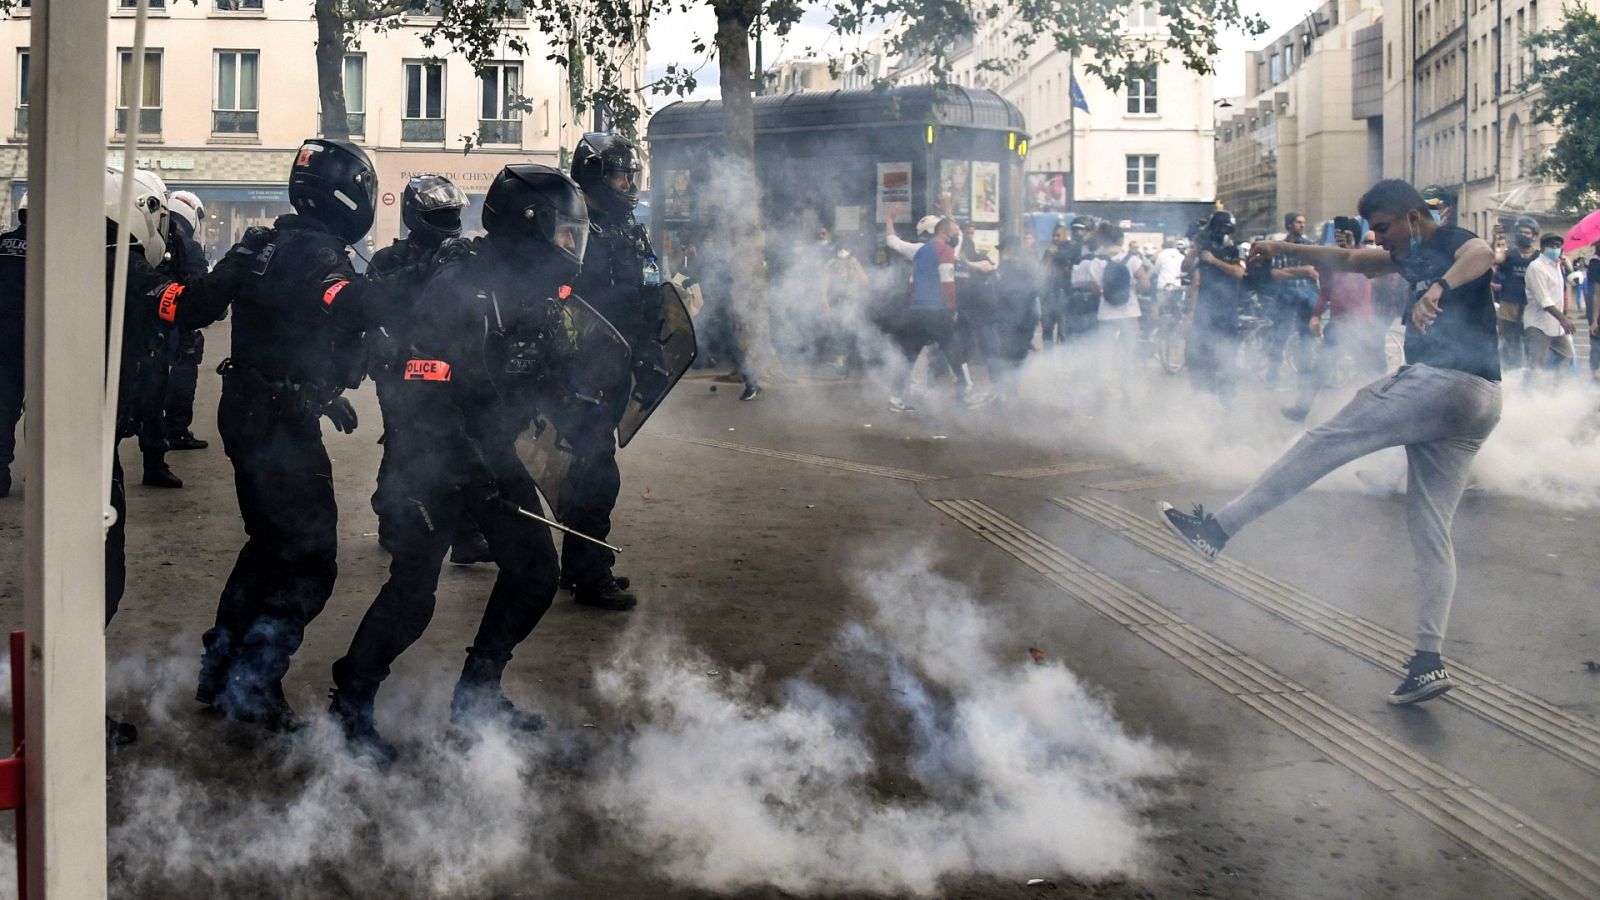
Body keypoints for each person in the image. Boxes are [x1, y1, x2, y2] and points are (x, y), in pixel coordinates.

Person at [1160, 178, 1502, 707]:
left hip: (1443, 382)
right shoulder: (1408, 253)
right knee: (1430, 528)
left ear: (1413, 216)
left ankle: (1218, 531)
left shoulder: (1448, 241)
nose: (1380, 238)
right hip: (1480, 402)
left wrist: (1439, 289)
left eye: (1385, 227)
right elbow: (1356, 262)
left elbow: (1481, 252)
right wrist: (1285, 249)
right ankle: (1429, 660)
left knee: (1324, 441)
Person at [328, 164, 607, 763]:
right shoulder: (458, 286)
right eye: (564, 233)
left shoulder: (533, 291)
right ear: (528, 225)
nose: (570, 246)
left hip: (491, 454)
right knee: (412, 596)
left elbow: (535, 369)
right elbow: (419, 383)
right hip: (430, 456)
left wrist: (576, 402)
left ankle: (477, 700)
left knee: (534, 573)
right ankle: (349, 702)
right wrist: (465, 467)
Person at [157, 139, 382, 731]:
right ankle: (253, 685)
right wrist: (402, 292)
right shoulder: (318, 252)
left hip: (250, 410)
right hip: (278, 424)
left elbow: (257, 323)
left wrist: (322, 395)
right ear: (348, 194)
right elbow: (343, 301)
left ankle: (220, 665)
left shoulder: (265, 240)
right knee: (310, 558)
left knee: (267, 545)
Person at [367, 174, 494, 568]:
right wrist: (384, 349)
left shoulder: (462, 256)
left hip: (448, 365)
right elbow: (369, 310)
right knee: (403, 443)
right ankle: (391, 519)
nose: (449, 218)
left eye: (452, 212)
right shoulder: (389, 260)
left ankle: (466, 535)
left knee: (462, 444)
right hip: (399, 366)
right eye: (441, 213)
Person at [562, 132, 651, 610]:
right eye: (620, 174)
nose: (628, 183)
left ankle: (577, 564)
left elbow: (648, 285)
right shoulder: (573, 228)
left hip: (617, 365)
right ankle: (588, 573)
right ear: (595, 175)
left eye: (631, 174)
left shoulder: (628, 228)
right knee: (594, 475)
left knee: (586, 469)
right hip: (584, 371)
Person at [882, 214, 989, 410]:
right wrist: (952, 309)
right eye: (953, 233)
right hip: (937, 312)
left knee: (910, 355)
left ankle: (895, 398)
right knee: (954, 352)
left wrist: (890, 220)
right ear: (945, 233)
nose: (955, 236)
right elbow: (948, 284)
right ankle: (967, 393)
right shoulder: (945, 251)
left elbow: (910, 279)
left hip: (917, 311)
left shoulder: (920, 251)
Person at [1283, 226, 1385, 421]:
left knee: (1371, 371)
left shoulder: (1364, 259)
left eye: (1346, 237)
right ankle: (1302, 409)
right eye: (1338, 238)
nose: (1341, 241)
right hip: (1338, 324)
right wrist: (1315, 315)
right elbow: (1326, 292)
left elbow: (1369, 277)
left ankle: (1378, 417)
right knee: (1321, 367)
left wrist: (1352, 248)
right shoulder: (1333, 264)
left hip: (1361, 324)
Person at [161, 190, 211, 454]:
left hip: (153, 321)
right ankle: (177, 430)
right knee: (184, 371)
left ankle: (154, 434)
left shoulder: (154, 239)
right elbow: (201, 288)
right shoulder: (188, 247)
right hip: (180, 321)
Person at [1182, 211, 1247, 401]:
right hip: (1205, 312)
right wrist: (1195, 248)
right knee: (1200, 357)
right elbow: (1186, 268)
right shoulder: (1204, 247)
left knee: (1227, 359)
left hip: (1227, 313)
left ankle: (1228, 402)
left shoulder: (1234, 249)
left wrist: (1214, 261)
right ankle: (1206, 398)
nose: (1223, 232)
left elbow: (1238, 273)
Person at [1263, 212, 1320, 387]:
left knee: (1306, 339)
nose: (1302, 225)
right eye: (1298, 222)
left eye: (1303, 222)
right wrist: (1302, 270)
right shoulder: (1279, 247)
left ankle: (1304, 378)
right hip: (1285, 298)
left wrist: (1291, 272)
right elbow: (1275, 273)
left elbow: (1316, 272)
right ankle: (1272, 376)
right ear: (1289, 225)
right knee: (1279, 337)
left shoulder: (1310, 246)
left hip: (1306, 299)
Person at [1093, 224, 1149, 375]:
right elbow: (1145, 284)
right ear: (1120, 240)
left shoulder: (1097, 261)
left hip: (1106, 313)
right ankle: (1127, 389)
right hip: (1129, 312)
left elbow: (1094, 289)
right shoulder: (1132, 260)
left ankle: (1106, 387)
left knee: (1106, 353)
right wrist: (1131, 290)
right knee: (1128, 352)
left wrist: (1107, 291)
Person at [1523, 234, 1575, 376]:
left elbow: (1562, 292)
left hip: (1556, 324)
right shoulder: (1536, 267)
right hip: (1538, 324)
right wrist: (1563, 319)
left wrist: (1568, 267)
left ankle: (1555, 393)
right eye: (1552, 246)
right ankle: (1528, 395)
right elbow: (1544, 300)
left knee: (1567, 357)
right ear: (1543, 247)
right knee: (1536, 365)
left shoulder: (1557, 266)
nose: (1556, 249)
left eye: (1559, 246)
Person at [0, 197, 24, 498]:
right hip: (42, 338)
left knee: (4, 407)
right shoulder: (56, 246)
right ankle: (45, 473)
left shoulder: (3, 243)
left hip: (4, 339)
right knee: (46, 410)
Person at [1493, 215, 1539, 370]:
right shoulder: (1509, 254)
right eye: (1520, 232)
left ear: (1534, 236)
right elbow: (1493, 257)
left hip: (1531, 309)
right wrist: (1494, 239)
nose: (1523, 235)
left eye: (1527, 232)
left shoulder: (1539, 257)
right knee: (1509, 349)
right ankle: (1511, 379)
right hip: (1508, 308)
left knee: (1532, 350)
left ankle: (1530, 383)